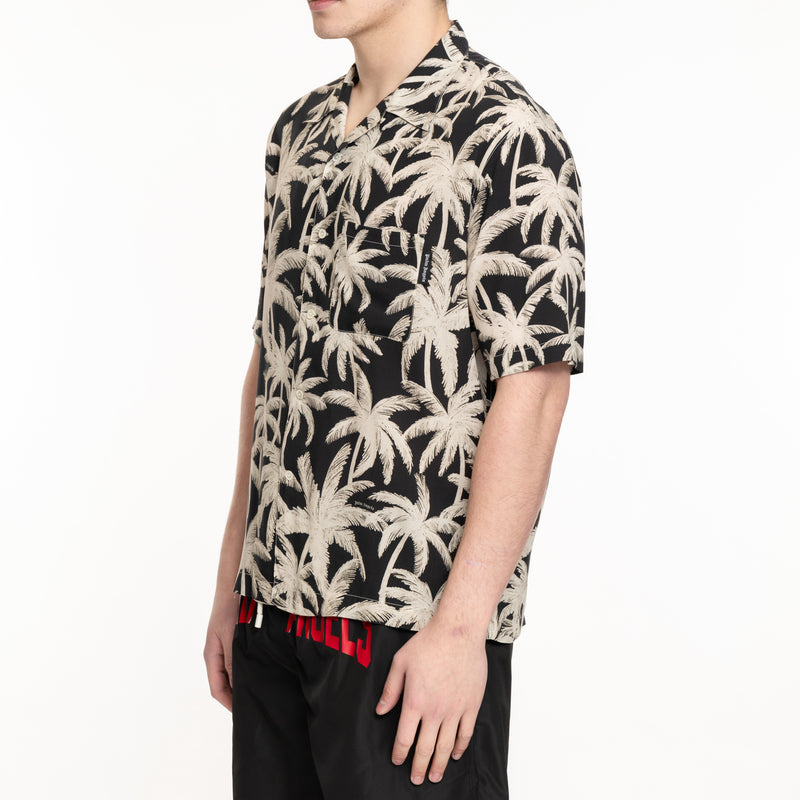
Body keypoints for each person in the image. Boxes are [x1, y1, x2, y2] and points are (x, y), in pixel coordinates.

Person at [204, 2, 585, 798]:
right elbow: (272, 360)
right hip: (271, 614)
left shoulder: (509, 135)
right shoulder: (297, 136)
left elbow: (535, 387)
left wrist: (462, 629)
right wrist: (231, 586)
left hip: (408, 632)